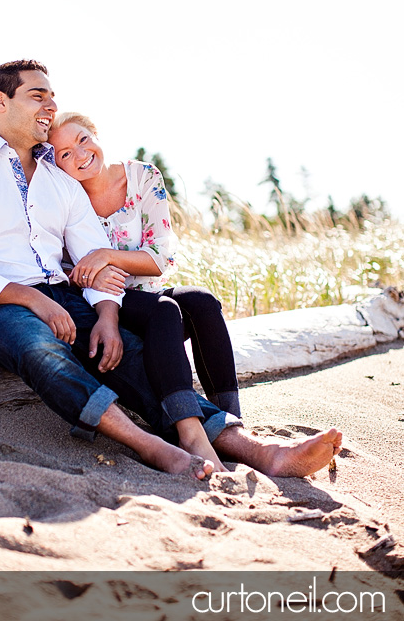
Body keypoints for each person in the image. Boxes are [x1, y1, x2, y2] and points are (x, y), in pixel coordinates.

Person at [0, 59, 342, 480]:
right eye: (39, 95)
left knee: (133, 355)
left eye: (53, 96)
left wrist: (108, 316)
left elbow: (96, 255)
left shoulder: (62, 182)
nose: (51, 105)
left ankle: (260, 453)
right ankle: (152, 448)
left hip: (67, 299)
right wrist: (34, 299)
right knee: (40, 347)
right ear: (1, 101)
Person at [48, 111, 344, 475]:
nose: (79, 155)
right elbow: (61, 267)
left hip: (146, 288)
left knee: (201, 302)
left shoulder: (143, 177)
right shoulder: (63, 196)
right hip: (104, 303)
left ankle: (232, 421)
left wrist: (107, 255)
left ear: (96, 134)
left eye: (82, 140)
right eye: (63, 154)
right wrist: (85, 275)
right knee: (164, 310)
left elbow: (158, 259)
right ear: (57, 165)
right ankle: (191, 433)